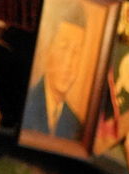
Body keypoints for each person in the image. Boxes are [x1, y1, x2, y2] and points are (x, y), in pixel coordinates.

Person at [22, 5, 88, 140]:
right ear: (48, 51)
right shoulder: (27, 105)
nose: (69, 64)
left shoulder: (76, 125)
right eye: (64, 48)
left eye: (76, 52)